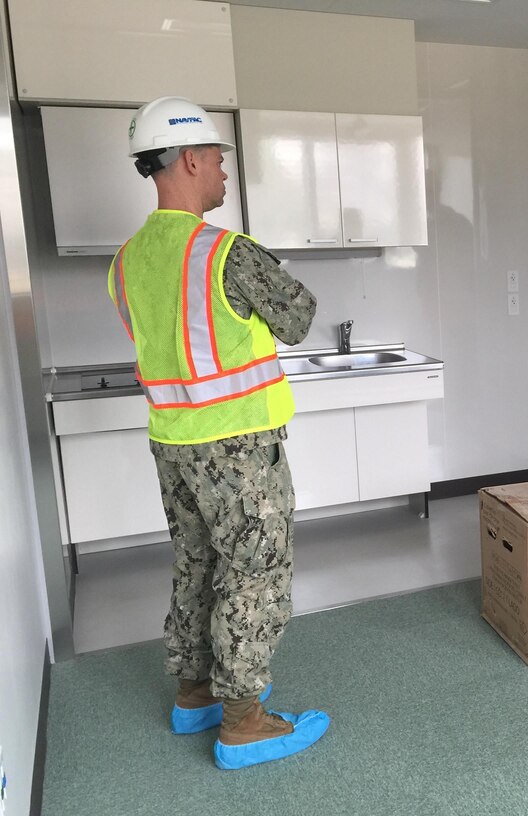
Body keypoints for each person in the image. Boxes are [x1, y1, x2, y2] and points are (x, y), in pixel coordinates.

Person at [107, 96, 330, 767]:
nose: (226, 174)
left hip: (172, 445)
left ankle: (193, 693)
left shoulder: (124, 262)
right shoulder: (225, 251)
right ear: (193, 159)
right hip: (237, 449)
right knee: (255, 575)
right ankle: (243, 719)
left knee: (197, 564)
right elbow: (298, 319)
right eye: (221, 161)